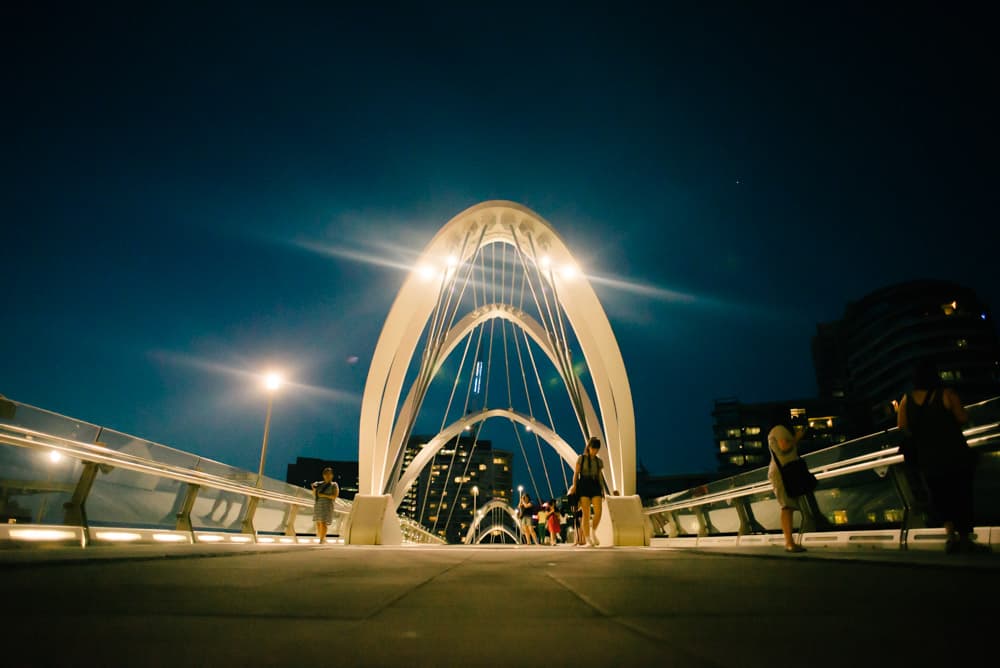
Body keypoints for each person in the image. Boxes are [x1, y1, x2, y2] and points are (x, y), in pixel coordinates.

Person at [897, 360, 987, 554]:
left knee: (941, 497)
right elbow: (962, 417)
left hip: (928, 459)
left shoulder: (906, 400)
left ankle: (950, 537)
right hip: (954, 454)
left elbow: (902, 426)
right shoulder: (947, 394)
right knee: (961, 495)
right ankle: (965, 540)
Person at [768, 408, 809, 552]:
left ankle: (790, 542)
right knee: (787, 507)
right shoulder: (778, 429)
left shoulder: (776, 430)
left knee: (789, 506)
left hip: (785, 472)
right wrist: (797, 437)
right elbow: (784, 447)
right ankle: (789, 543)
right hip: (782, 473)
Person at [570, 436, 605, 546]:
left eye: (597, 449)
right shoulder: (581, 458)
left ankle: (593, 532)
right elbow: (576, 473)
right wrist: (574, 486)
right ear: (589, 447)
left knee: (599, 512)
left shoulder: (599, 461)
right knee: (586, 513)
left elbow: (600, 476)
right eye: (593, 448)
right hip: (584, 484)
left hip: (595, 485)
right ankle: (588, 538)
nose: (595, 451)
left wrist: (602, 489)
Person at [311, 467, 339, 544]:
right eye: (326, 474)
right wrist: (313, 488)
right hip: (318, 505)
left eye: (329, 474)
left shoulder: (334, 485)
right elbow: (314, 494)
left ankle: (322, 540)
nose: (327, 475)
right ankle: (322, 538)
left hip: (327, 505)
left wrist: (323, 495)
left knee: (323, 522)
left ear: (332, 475)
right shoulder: (319, 484)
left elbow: (334, 496)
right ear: (323, 475)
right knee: (318, 523)